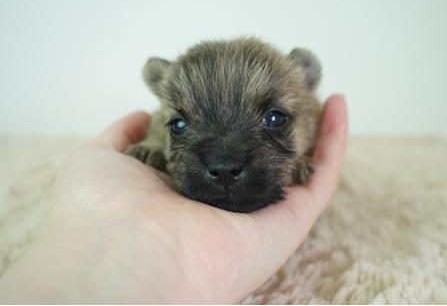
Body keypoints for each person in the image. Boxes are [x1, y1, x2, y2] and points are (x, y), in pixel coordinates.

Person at [0, 95, 348, 303]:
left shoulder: (309, 122)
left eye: (274, 119)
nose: (224, 163)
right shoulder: (153, 128)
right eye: (179, 125)